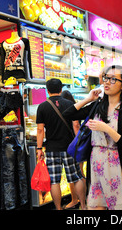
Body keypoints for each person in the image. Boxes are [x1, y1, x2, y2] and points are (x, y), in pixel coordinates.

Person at [63, 65, 122, 210]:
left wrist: (106, 129)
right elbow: (68, 114)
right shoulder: (98, 106)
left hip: (117, 164)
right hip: (96, 162)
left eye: (112, 79)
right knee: (95, 206)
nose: (106, 82)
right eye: (106, 78)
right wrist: (88, 99)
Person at [36, 79, 87, 210]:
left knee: (54, 181)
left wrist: (39, 148)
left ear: (47, 90)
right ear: (61, 89)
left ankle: (58, 208)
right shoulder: (70, 104)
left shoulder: (42, 106)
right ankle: (83, 205)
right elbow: (76, 125)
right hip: (69, 147)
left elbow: (40, 130)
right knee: (76, 177)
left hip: (52, 148)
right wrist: (78, 143)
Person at [60, 89, 85, 209]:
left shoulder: (66, 109)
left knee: (73, 175)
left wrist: (76, 142)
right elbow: (76, 125)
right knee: (80, 173)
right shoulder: (75, 107)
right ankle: (84, 198)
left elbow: (76, 125)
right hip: (76, 143)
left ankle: (76, 199)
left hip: (70, 145)